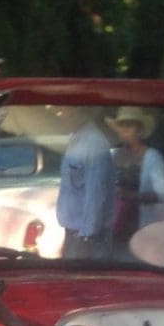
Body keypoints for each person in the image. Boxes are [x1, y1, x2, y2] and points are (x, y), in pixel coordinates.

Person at [55, 109, 116, 258]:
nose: (61, 116)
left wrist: (87, 238)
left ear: (82, 113)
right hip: (73, 234)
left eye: (67, 112)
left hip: (89, 238)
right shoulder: (76, 139)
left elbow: (96, 193)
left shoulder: (94, 143)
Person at [110, 107, 164, 242]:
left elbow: (163, 194)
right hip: (111, 226)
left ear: (140, 130)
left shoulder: (152, 157)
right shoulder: (111, 155)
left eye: (130, 126)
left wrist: (129, 196)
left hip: (138, 227)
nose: (125, 130)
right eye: (121, 126)